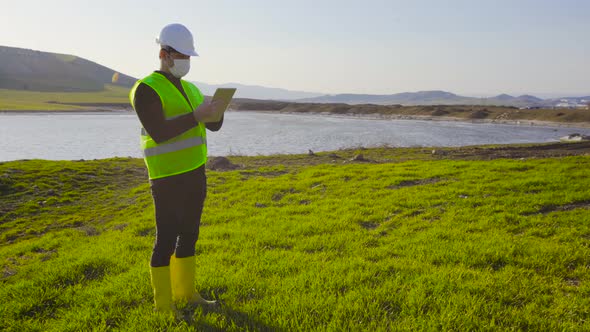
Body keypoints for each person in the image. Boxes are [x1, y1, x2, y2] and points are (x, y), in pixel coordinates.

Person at [128, 23, 225, 313]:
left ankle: (187, 293)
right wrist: (197, 115)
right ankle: (163, 304)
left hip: (195, 172)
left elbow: (213, 126)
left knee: (190, 233)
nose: (186, 61)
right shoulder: (145, 89)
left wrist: (216, 111)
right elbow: (159, 131)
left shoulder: (192, 88)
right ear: (163, 53)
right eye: (182, 55)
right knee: (166, 238)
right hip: (166, 177)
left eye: (189, 57)